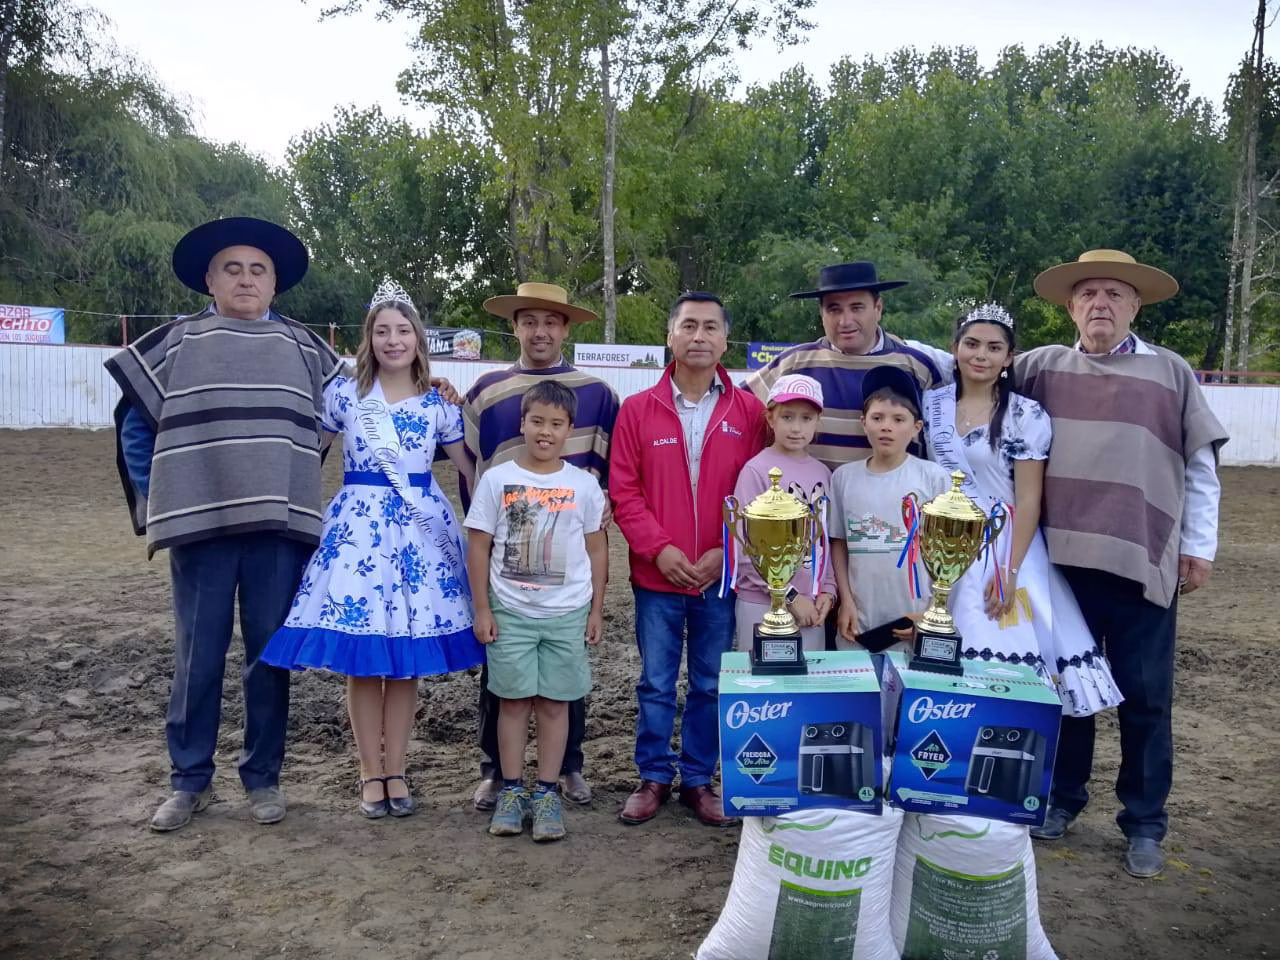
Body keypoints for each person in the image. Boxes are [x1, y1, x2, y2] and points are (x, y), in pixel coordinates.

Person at [104, 217, 341, 832]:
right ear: (209, 279)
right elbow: (134, 425)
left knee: (269, 658)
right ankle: (189, 781)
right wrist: (165, 493)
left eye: (257, 269)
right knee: (198, 657)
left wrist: (283, 469)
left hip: (276, 531)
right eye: (231, 268)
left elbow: (334, 422)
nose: (244, 279)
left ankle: (263, 777)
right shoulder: (177, 343)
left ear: (275, 284)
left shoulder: (305, 348)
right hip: (201, 530)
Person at [1014, 250, 1228, 879]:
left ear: (1135, 305)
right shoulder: (1038, 369)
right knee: (1068, 692)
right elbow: (972, 373)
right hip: (1060, 563)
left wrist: (1199, 546)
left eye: (1114, 293)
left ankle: (1143, 823)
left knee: (1144, 698)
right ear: (1070, 306)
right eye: (1088, 295)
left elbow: (1200, 467)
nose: (1100, 304)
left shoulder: (1171, 373)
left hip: (1140, 560)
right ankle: (1061, 800)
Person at [261, 279, 484, 819]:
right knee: (363, 662)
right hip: (358, 532)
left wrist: (496, 523)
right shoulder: (342, 394)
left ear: (418, 337)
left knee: (404, 664)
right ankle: (369, 772)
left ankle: (398, 769)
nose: (392, 340)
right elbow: (305, 455)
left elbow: (470, 467)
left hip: (420, 532)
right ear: (368, 337)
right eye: (382, 331)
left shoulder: (439, 399)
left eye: (402, 330)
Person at [462, 282, 620, 812]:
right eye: (529, 320)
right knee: (505, 677)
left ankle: (566, 767)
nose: (540, 331)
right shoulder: (487, 389)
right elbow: (469, 464)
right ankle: (496, 771)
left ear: (566, 328)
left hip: (569, 554)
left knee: (562, 682)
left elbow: (610, 470)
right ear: (515, 326)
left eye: (551, 321)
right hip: (509, 559)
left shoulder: (596, 392)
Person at [611, 291, 767, 828]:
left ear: (725, 339)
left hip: (720, 577)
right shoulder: (638, 410)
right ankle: (653, 775)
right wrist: (662, 549)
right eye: (688, 326)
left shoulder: (749, 412)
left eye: (710, 328)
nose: (699, 337)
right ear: (670, 335)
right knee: (656, 681)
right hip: (657, 577)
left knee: (709, 683)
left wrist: (729, 549)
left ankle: (699, 780)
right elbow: (624, 493)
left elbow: (762, 491)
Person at [922, 303, 1123, 715]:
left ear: (1009, 358)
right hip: (940, 544)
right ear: (955, 348)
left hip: (1003, 545)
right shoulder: (929, 405)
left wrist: (1008, 571)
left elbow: (1029, 499)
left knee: (996, 650)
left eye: (994, 348)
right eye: (972, 344)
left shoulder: (1026, 415)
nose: (981, 355)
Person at [743, 262, 949, 473]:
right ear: (822, 313)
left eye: (857, 308)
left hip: (896, 501)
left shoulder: (917, 368)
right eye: (834, 309)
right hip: (806, 498)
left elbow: (946, 443)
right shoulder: (793, 363)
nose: (845, 321)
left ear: (878, 308)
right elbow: (737, 410)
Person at [828, 366, 950, 671]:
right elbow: (840, 543)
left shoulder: (932, 478)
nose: (887, 427)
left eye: (899, 420)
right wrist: (846, 602)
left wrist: (933, 613)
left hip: (913, 621)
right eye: (878, 418)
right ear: (863, 422)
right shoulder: (844, 478)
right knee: (859, 705)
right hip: (859, 620)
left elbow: (948, 555)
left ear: (917, 427)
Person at [730, 373, 837, 652]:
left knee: (805, 689)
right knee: (762, 688)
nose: (796, 427)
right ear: (770, 419)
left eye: (806, 418)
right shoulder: (756, 470)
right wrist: (789, 596)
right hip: (761, 602)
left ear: (818, 422)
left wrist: (828, 589)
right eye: (787, 417)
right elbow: (744, 549)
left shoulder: (822, 473)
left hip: (812, 605)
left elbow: (824, 539)